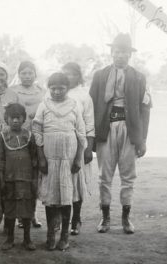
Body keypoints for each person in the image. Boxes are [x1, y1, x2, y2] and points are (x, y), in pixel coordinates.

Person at [89, 33, 151, 234]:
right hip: (106, 128)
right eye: (117, 51)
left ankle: (126, 218)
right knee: (104, 175)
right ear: (111, 52)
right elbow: (90, 106)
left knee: (128, 175)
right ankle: (105, 217)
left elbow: (145, 109)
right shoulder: (100, 75)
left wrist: (142, 139)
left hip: (129, 129)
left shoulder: (139, 77)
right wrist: (91, 136)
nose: (120, 55)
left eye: (124, 52)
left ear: (129, 54)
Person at [33, 73, 86, 251]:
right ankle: (50, 234)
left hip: (68, 159)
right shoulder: (44, 105)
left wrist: (78, 158)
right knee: (51, 198)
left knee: (66, 198)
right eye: (53, 88)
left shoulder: (74, 106)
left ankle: (64, 235)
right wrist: (41, 157)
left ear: (67, 88)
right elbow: (37, 131)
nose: (56, 91)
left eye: (61, 88)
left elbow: (81, 133)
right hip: (49, 158)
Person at [0, 103, 38, 251]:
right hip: (9, 179)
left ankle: (27, 238)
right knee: (10, 209)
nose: (15, 121)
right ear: (6, 119)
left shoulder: (29, 136)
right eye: (12, 118)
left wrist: (34, 179)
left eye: (18, 118)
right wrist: (1, 180)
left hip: (26, 179)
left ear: (24, 119)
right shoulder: (2, 137)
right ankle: (10, 238)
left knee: (27, 209)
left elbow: (34, 159)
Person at [10, 60, 45, 228]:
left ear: (35, 74)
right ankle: (19, 215)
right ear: (19, 75)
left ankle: (32, 214)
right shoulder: (13, 91)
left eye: (30, 72)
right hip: (19, 137)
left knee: (35, 176)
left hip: (36, 137)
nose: (27, 76)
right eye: (23, 73)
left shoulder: (42, 92)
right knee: (19, 175)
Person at [62, 62, 95, 235]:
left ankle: (76, 218)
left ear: (78, 76)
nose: (68, 77)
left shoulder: (84, 96)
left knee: (77, 183)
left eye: (72, 74)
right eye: (65, 73)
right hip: (59, 146)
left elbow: (89, 123)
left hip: (78, 144)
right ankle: (62, 220)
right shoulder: (55, 91)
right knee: (61, 182)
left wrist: (88, 148)